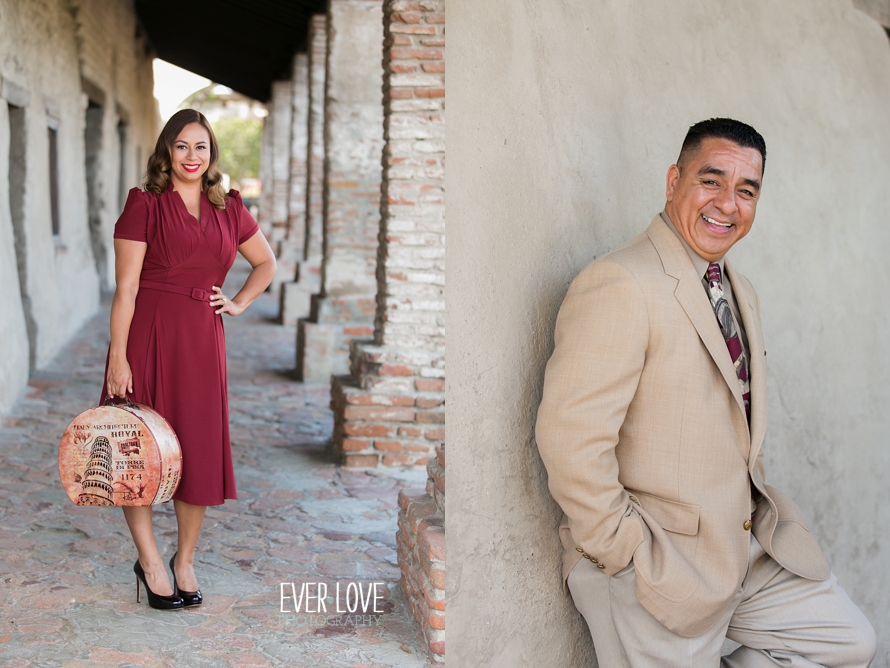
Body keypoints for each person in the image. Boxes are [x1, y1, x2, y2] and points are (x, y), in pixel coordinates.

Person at [535, 118, 876, 666]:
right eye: (711, 180)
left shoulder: (739, 290)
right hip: (653, 564)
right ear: (673, 181)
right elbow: (570, 439)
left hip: (739, 552)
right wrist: (626, 554)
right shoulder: (622, 282)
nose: (727, 203)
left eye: (746, 190)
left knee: (849, 643)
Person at [102, 109, 277, 609]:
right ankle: (151, 561)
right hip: (149, 339)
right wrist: (119, 356)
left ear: (212, 153)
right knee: (139, 450)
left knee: (195, 451)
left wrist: (238, 303)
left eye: (201, 147)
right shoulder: (144, 204)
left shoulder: (230, 207)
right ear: (166, 151)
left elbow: (265, 263)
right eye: (182, 146)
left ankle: (185, 560)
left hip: (203, 342)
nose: (192, 157)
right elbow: (127, 289)